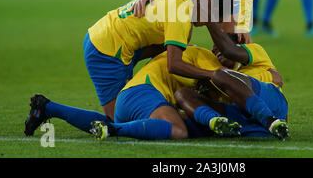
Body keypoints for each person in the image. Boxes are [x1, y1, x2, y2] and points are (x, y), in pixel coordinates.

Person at [24, 0, 239, 136]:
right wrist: (211, 75)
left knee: (176, 48)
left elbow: (163, 46)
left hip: (116, 39)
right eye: (213, 17)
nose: (205, 24)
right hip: (107, 49)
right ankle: (47, 107)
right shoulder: (182, 12)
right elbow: (174, 64)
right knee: (116, 118)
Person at [90, 46, 242, 140]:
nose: (218, 51)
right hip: (145, 92)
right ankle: (114, 130)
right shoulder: (206, 57)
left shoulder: (187, 51)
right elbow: (225, 77)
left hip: (131, 95)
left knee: (189, 123)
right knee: (179, 130)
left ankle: (69, 113)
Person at [175, 28, 289, 139]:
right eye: (214, 51)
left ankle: (269, 119)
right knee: (182, 95)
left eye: (219, 47)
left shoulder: (255, 50)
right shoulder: (215, 74)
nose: (215, 52)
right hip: (245, 121)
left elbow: (230, 51)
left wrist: (209, 20)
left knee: (220, 75)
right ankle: (217, 122)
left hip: (272, 106)